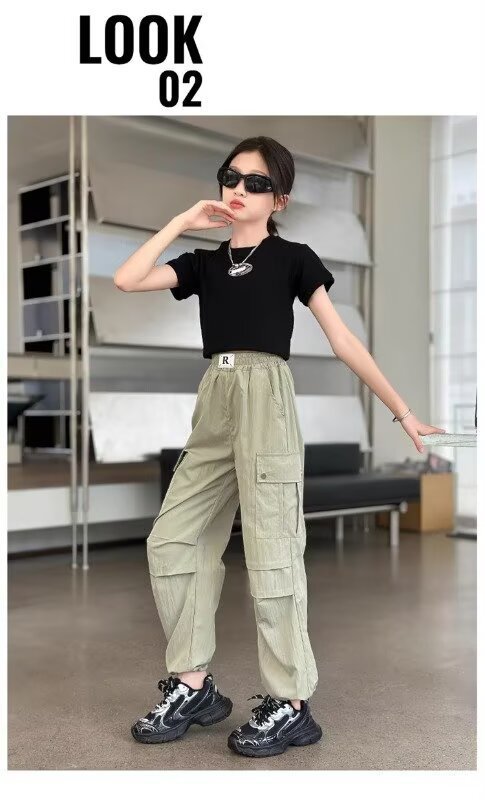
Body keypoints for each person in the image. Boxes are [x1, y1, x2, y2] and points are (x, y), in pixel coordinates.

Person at [114, 135, 445, 759]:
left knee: (272, 553)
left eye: (256, 182)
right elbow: (127, 279)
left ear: (279, 200)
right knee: (173, 540)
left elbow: (343, 340)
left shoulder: (293, 259)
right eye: (230, 176)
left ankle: (290, 703)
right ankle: (193, 685)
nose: (238, 189)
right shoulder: (203, 264)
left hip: (267, 398)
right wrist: (183, 220)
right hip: (215, 399)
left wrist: (403, 413)